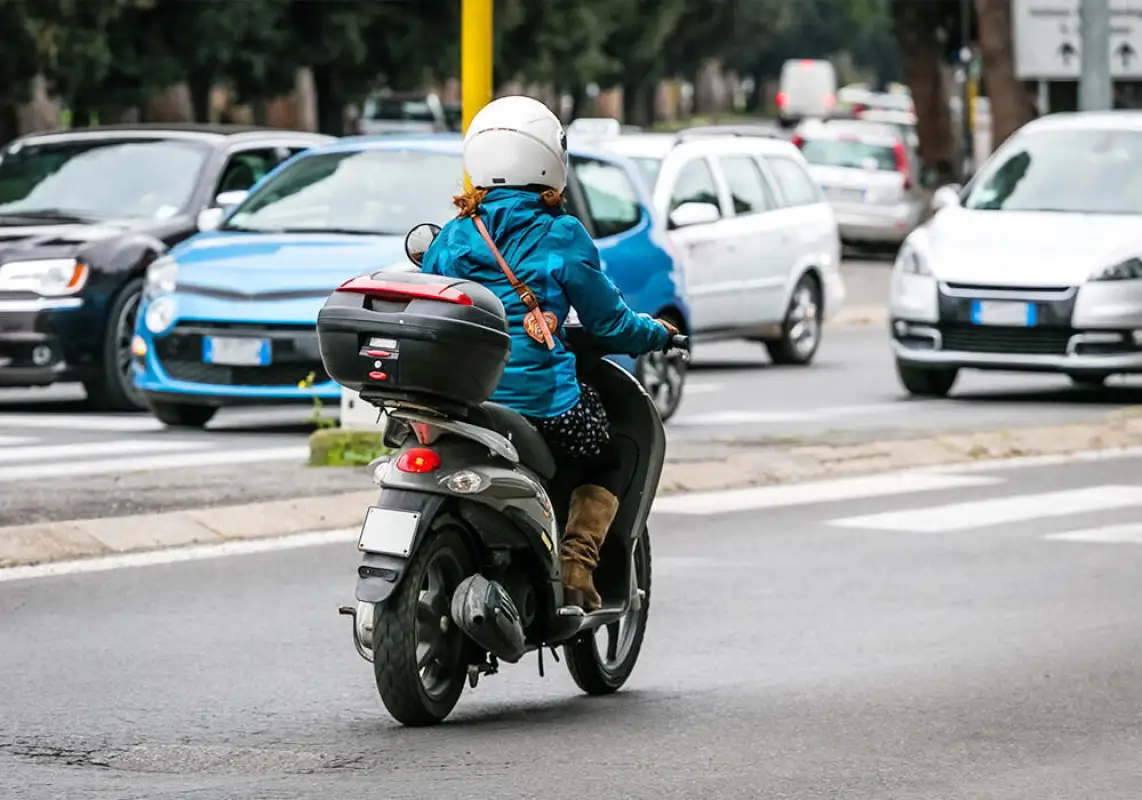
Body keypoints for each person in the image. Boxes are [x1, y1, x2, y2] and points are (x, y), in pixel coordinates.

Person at [420, 95, 677, 611]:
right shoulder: (560, 234)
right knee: (608, 456)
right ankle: (578, 564)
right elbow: (610, 323)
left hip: (464, 401)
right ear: (548, 159)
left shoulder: (452, 236)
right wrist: (657, 334)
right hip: (541, 402)